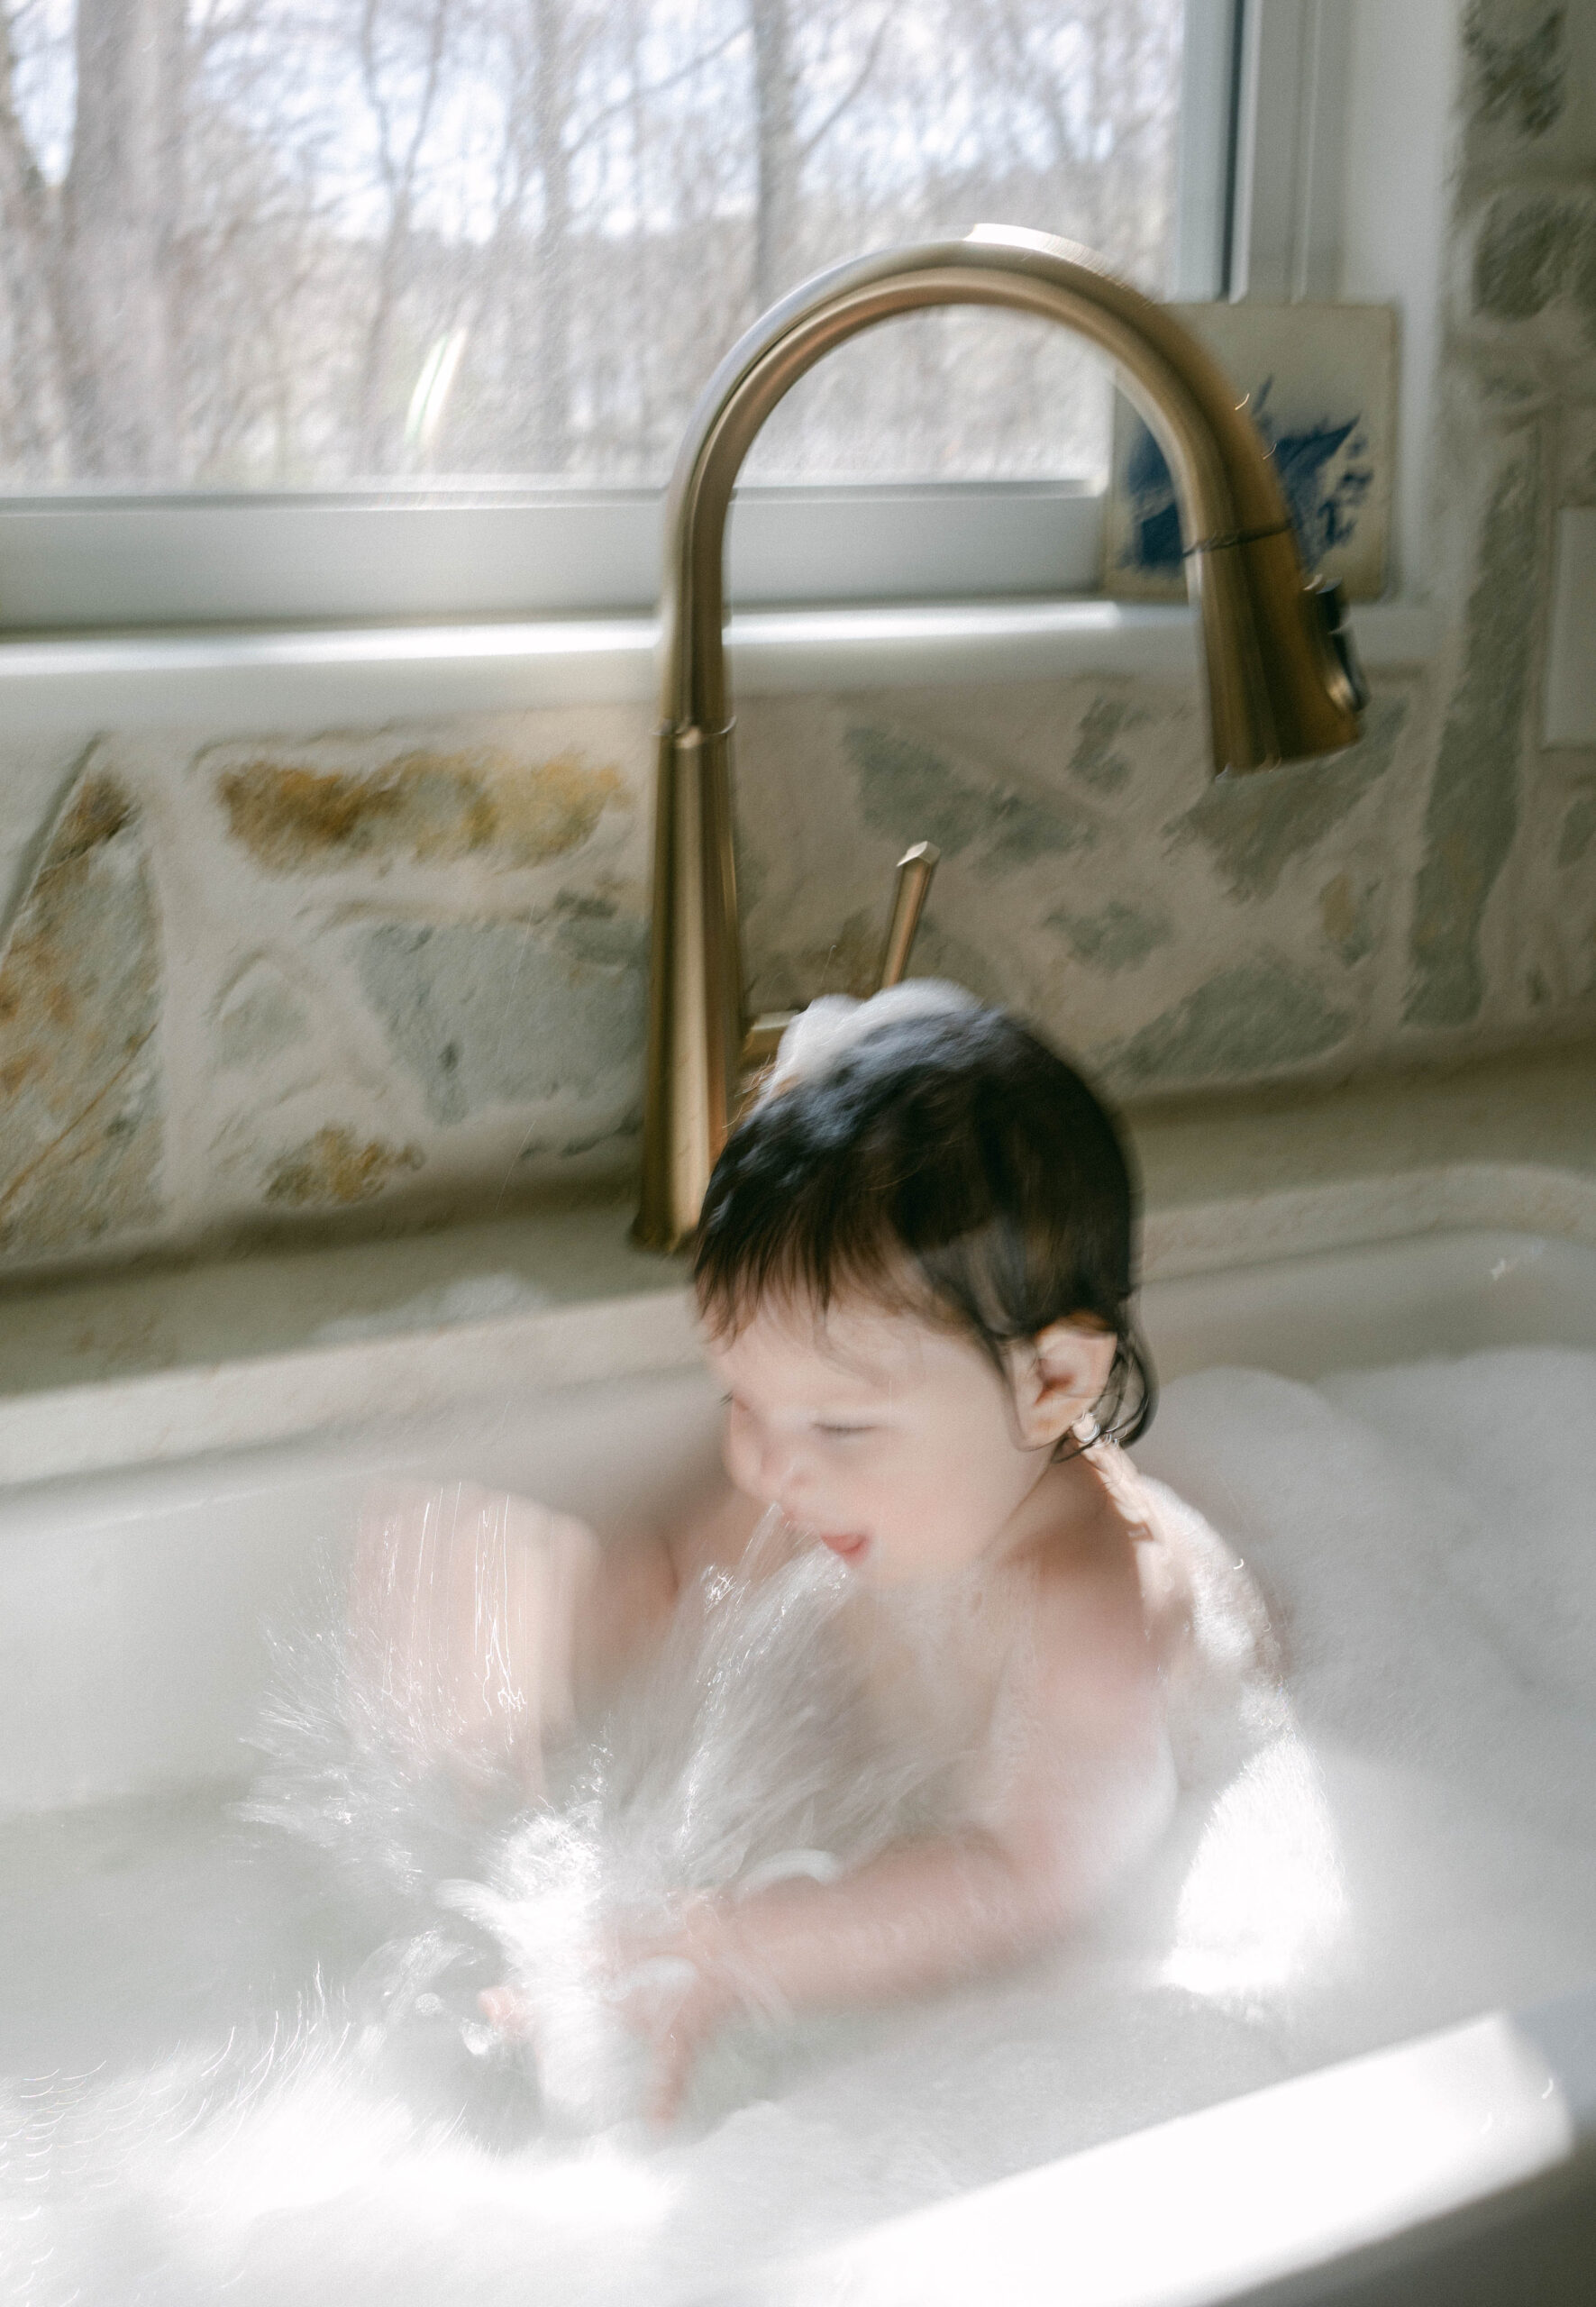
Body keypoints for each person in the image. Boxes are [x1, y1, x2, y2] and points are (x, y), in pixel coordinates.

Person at [352, 984, 1272, 2116]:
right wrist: (534, 1642)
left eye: (837, 1424)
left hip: (1119, 1870)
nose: (771, 1471)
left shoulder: (1094, 1610)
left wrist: (738, 1951)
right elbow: (683, 1571)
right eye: (740, 1399)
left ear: (1051, 1383)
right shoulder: (840, 1467)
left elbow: (1025, 1879)